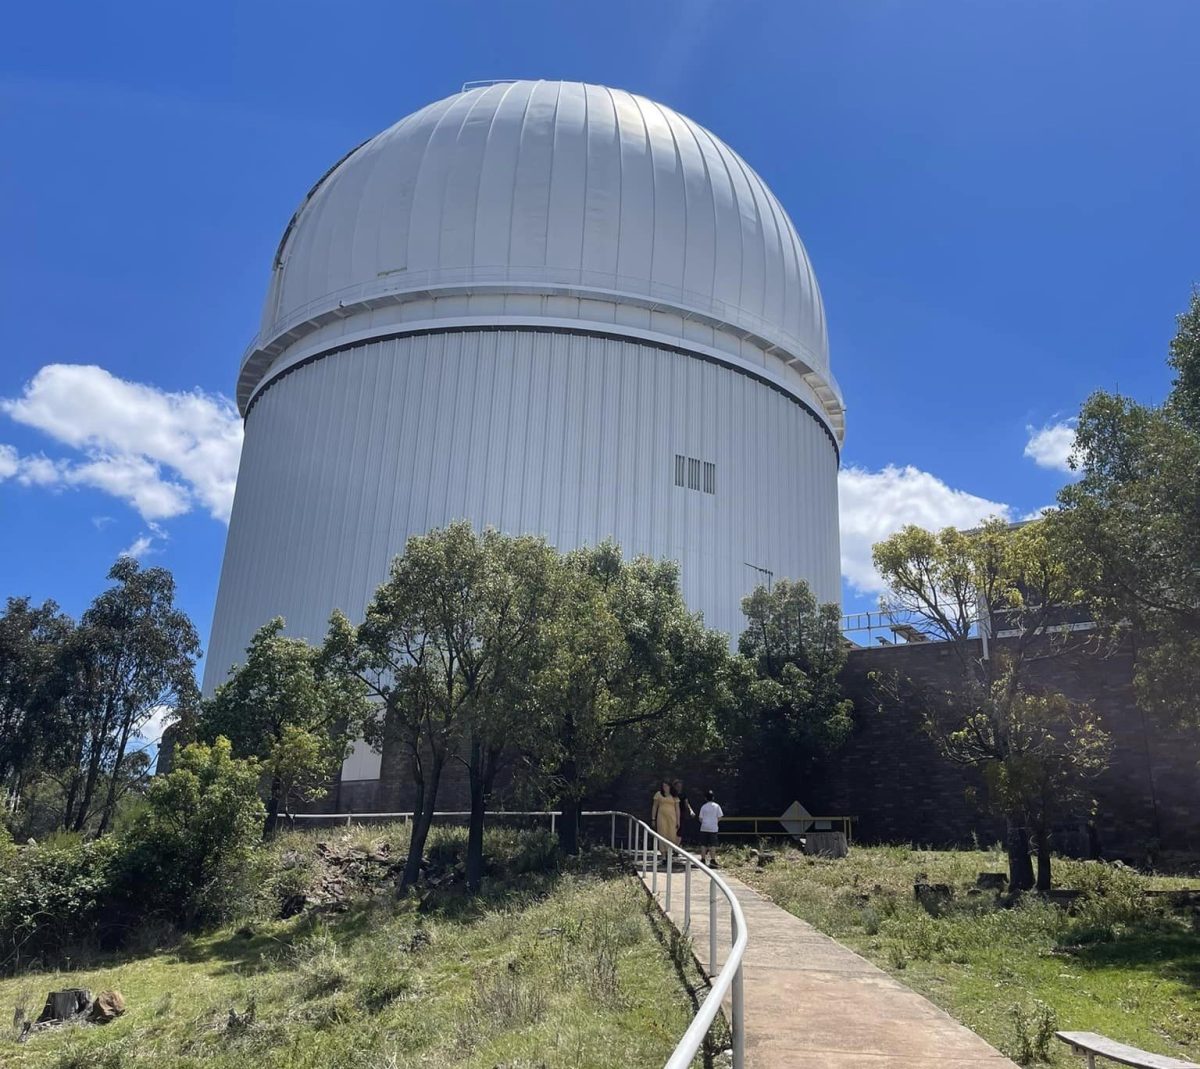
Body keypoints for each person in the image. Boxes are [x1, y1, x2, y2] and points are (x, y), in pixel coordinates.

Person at [698, 789, 724, 867]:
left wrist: (704, 822)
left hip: (704, 827)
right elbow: (720, 816)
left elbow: (700, 818)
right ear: (713, 797)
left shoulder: (703, 806)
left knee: (703, 844)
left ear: (705, 798)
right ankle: (712, 860)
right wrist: (715, 822)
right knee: (713, 844)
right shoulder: (717, 806)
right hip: (713, 827)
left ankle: (703, 859)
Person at [651, 780, 679, 850]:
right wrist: (653, 818)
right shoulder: (658, 794)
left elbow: (677, 809)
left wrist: (678, 821)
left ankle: (669, 852)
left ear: (670, 787)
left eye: (666, 786)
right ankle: (663, 854)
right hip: (661, 817)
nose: (665, 788)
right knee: (662, 833)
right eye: (663, 786)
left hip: (672, 818)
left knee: (672, 834)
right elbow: (654, 806)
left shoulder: (674, 795)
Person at [671, 779, 695, 844]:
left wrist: (691, 811)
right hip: (672, 813)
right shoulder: (671, 795)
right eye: (677, 786)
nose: (679, 788)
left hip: (682, 813)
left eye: (680, 786)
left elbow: (687, 803)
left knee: (680, 830)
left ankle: (677, 847)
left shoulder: (683, 794)